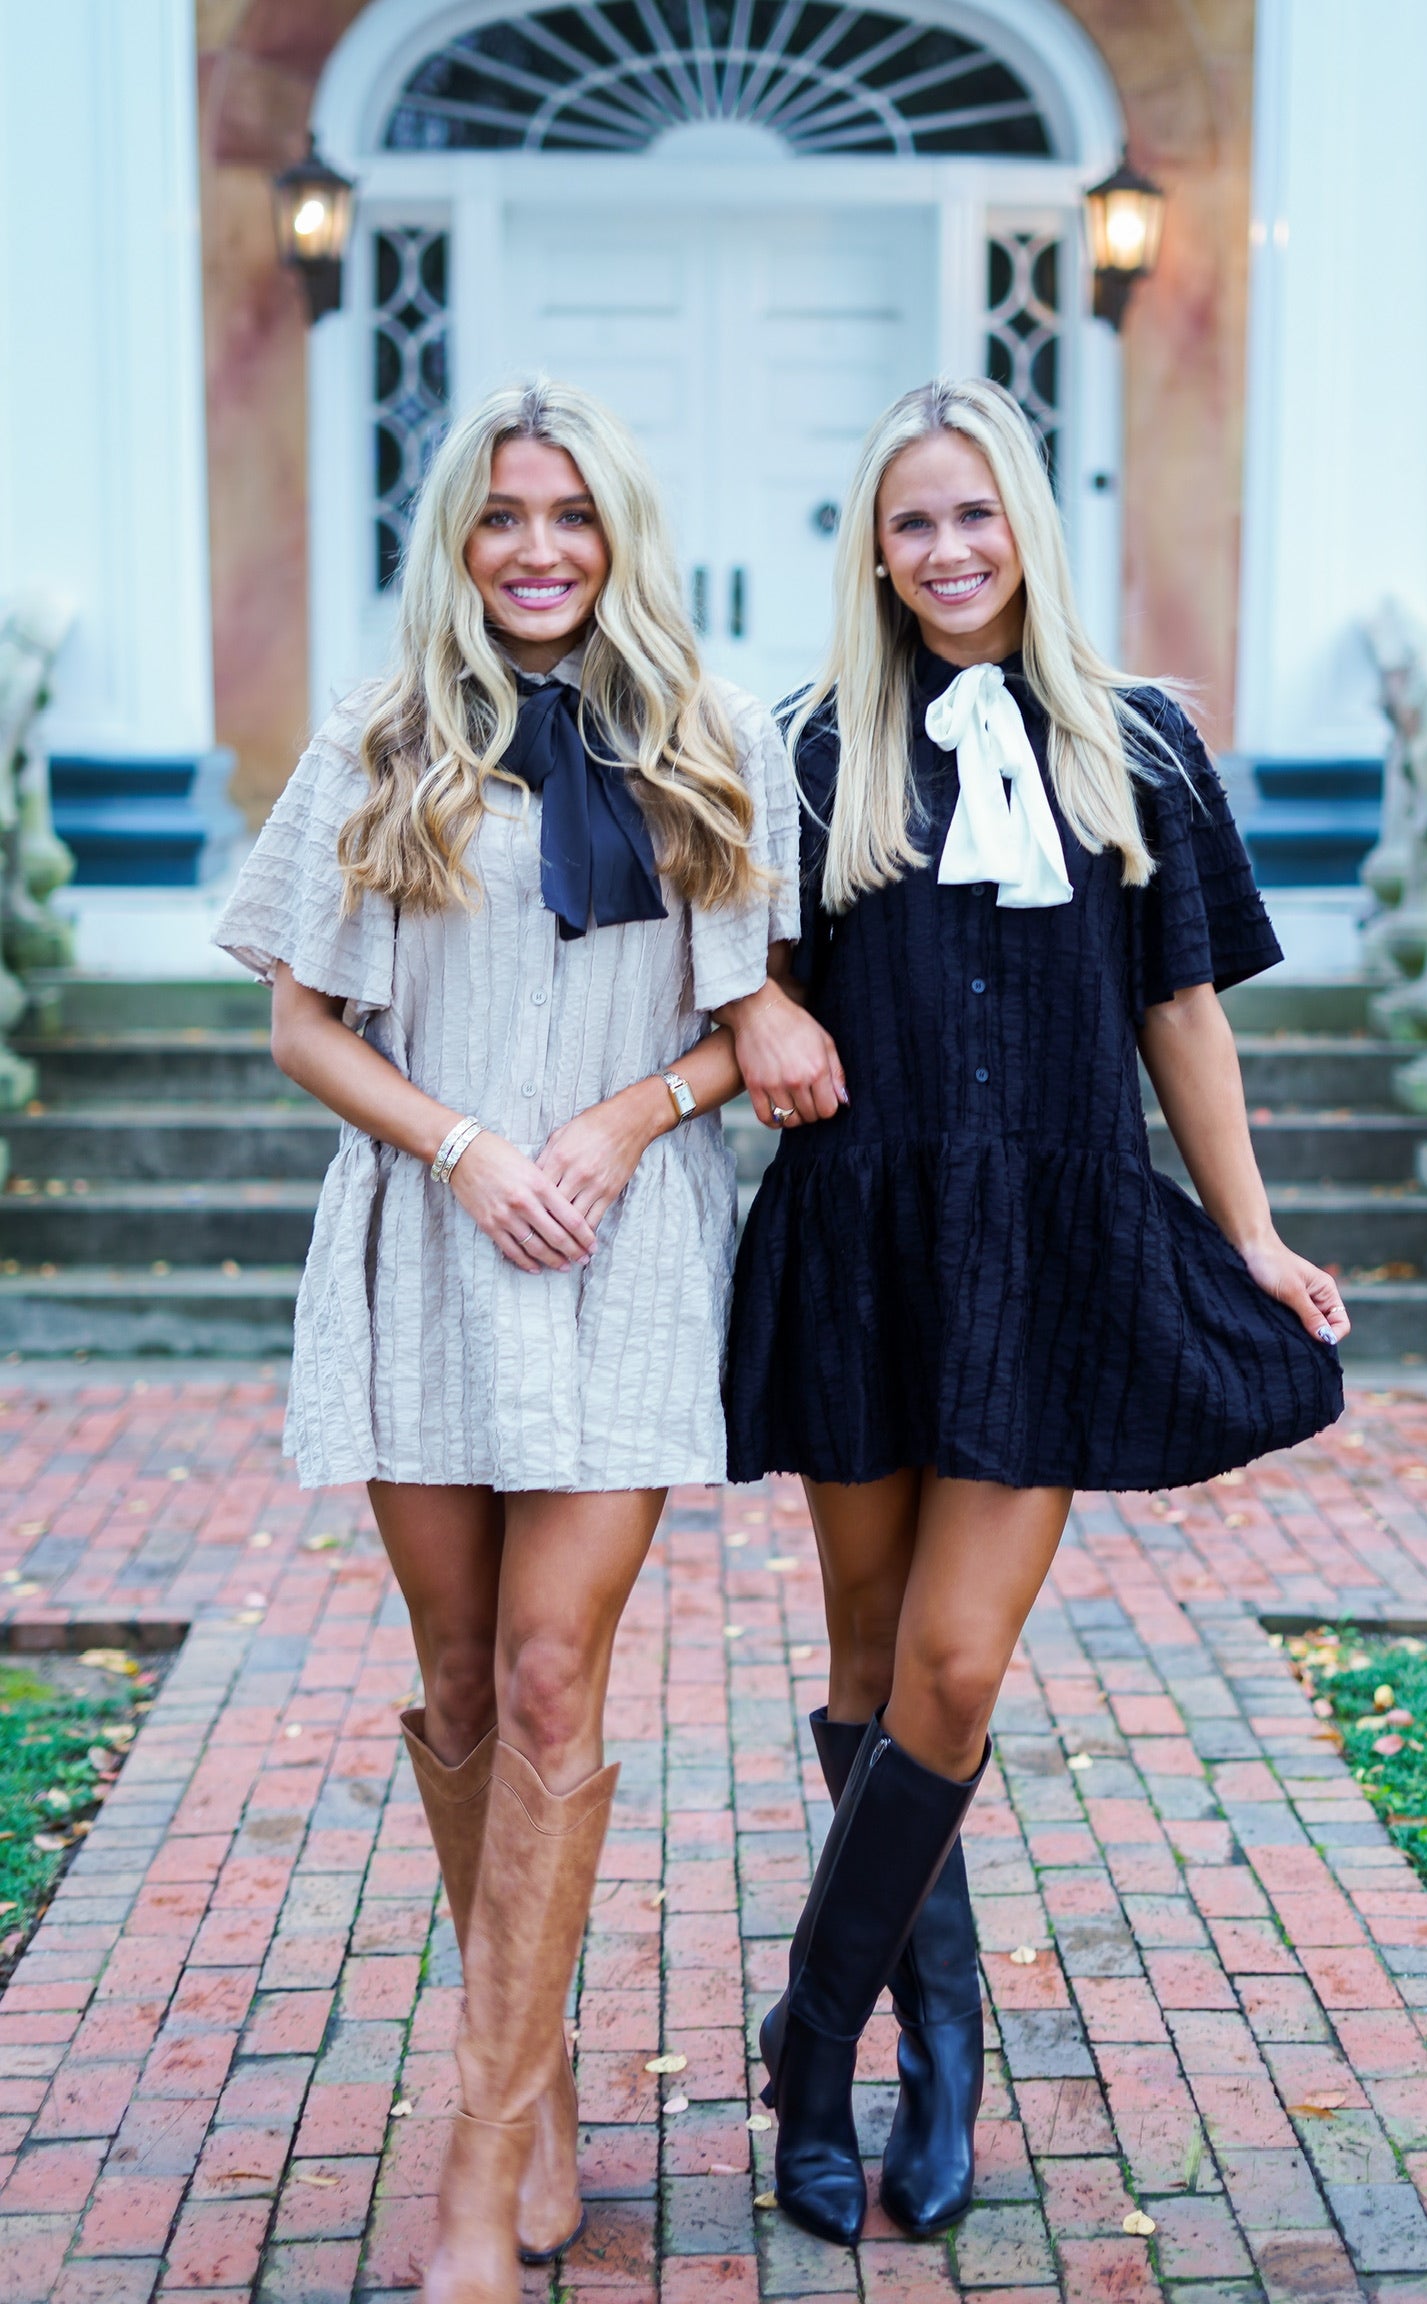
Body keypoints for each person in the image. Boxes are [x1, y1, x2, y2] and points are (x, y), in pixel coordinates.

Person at [215, 378, 841, 2304]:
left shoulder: (715, 736)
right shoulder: (380, 735)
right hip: (430, 1237)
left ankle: (480, 2165)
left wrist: (623, 1123)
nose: (539, 548)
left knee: (557, 1675)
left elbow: (757, 1024)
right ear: (460, 542)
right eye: (503, 516)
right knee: (465, 1683)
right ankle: (540, 2072)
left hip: (623, 1245)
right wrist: (467, 1148)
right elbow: (302, 1025)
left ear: (619, 532)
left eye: (571, 514)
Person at [725, 376, 1348, 2248]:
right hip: (865, 1240)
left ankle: (816, 2037)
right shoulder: (812, 747)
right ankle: (923, 2043)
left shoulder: (1140, 745)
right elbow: (744, 976)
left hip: (1049, 1245)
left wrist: (1248, 1233)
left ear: (1029, 525)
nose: (949, 550)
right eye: (913, 521)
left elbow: (1183, 1012)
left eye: (976, 514)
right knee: (863, 1663)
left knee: (954, 1667)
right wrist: (761, 1009)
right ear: (875, 548)